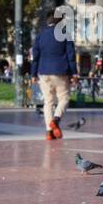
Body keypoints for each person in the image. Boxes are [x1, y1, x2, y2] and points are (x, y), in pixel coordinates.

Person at [30, 9, 77, 139]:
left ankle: (49, 132)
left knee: (48, 102)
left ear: (48, 21)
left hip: (43, 72)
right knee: (64, 99)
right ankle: (56, 120)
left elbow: (36, 55)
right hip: (61, 71)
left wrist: (33, 74)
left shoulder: (40, 35)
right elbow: (70, 55)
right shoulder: (65, 34)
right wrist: (74, 73)